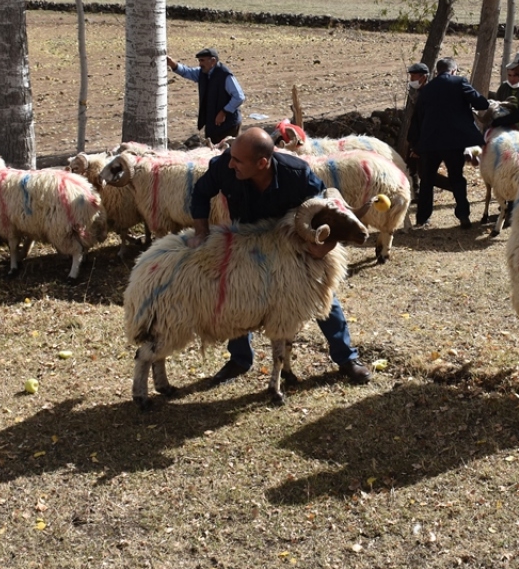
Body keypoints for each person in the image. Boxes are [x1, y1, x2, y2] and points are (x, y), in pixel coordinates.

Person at [188, 127, 371, 385]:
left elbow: (328, 212)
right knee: (239, 292)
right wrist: (201, 231)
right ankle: (239, 359)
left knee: (319, 289)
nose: (230, 162)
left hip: (289, 241)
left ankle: (346, 357)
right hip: (247, 239)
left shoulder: (297, 175)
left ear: (262, 163)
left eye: (238, 160)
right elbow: (200, 192)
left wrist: (325, 246)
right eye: (231, 156)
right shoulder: (224, 167)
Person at [409, 57, 490, 228]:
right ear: (454, 70)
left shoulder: (426, 90)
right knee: (457, 179)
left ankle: (422, 219)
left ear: (437, 71)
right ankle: (463, 215)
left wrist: (416, 144)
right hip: (454, 142)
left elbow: (417, 119)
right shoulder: (460, 82)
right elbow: (481, 103)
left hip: (430, 143)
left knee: (427, 181)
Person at [166, 47, 245, 144]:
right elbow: (186, 71)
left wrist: (224, 112)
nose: (200, 64)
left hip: (229, 126)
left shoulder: (225, 76)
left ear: (213, 61)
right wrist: (171, 63)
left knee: (228, 154)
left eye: (202, 61)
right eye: (199, 61)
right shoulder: (202, 72)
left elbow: (239, 97)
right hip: (212, 125)